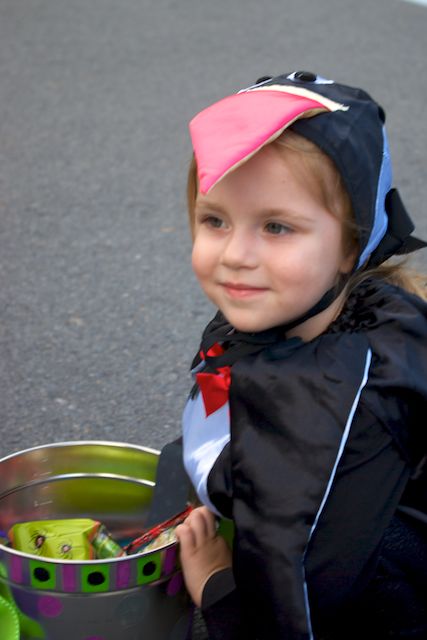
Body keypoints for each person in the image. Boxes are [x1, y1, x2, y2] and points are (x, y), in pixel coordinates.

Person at [174, 71, 427, 640]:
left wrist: (219, 588)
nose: (235, 255)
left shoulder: (350, 406)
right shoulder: (290, 308)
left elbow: (305, 602)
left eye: (277, 226)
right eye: (215, 219)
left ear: (350, 246)